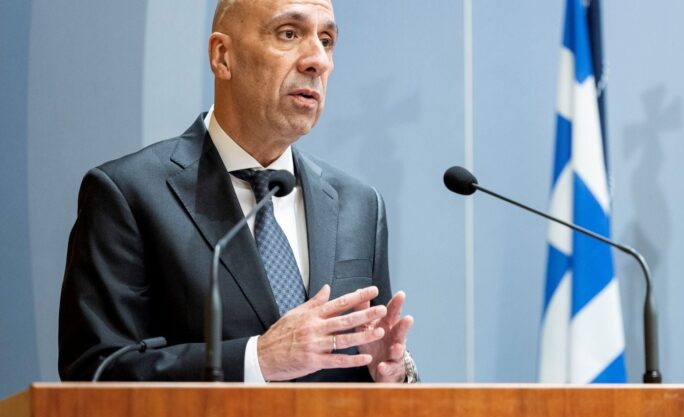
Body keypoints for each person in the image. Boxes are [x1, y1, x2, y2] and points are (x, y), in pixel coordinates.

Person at [58, 0, 417, 383]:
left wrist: (394, 377)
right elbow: (95, 372)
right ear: (222, 56)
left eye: (326, 40)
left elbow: (369, 365)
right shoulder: (129, 195)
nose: (317, 61)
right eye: (289, 34)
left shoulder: (358, 206)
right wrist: (255, 359)